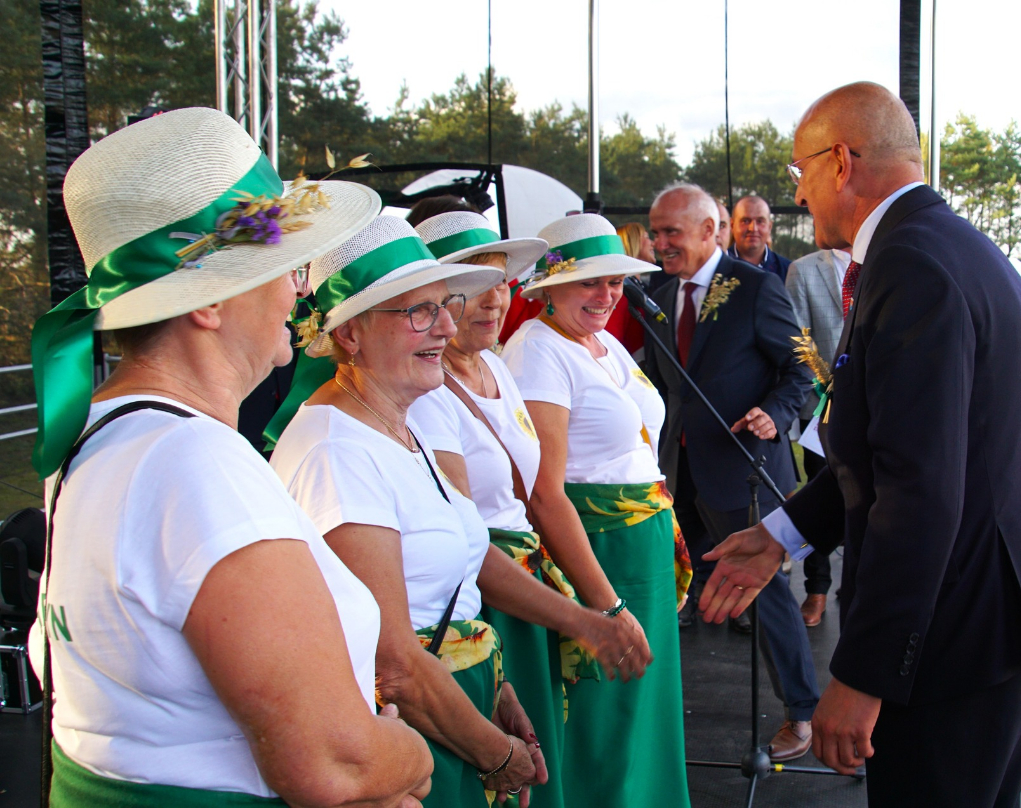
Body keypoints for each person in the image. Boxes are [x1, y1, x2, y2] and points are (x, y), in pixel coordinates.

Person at [28, 108, 432, 805]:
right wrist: (411, 756)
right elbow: (335, 766)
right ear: (208, 304)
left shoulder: (98, 434)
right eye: (281, 266)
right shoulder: (192, 462)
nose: (298, 290)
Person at [699, 81, 1021, 808]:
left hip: (959, 637)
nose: (799, 193)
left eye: (799, 172)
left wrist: (864, 674)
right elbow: (879, 450)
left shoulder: (912, 266)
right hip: (998, 616)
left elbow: (918, 491)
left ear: (840, 162)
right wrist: (781, 534)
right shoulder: (949, 246)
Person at [267, 216, 551, 806]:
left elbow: (443, 591)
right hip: (418, 746)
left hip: (453, 718)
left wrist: (494, 690)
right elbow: (393, 665)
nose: (447, 326)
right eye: (420, 312)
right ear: (349, 335)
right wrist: (497, 754)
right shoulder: (335, 451)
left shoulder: (396, 425)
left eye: (444, 304)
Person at [411, 210, 650, 808]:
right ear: (430, 299)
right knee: (515, 767)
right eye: (472, 286)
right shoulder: (426, 392)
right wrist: (590, 614)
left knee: (546, 752)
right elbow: (473, 538)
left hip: (528, 584)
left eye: (501, 281)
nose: (495, 300)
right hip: (493, 599)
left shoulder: (492, 365)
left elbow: (527, 493)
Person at [500, 213, 691, 808]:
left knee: (645, 711)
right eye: (589, 281)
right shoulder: (536, 351)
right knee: (602, 719)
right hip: (598, 551)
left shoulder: (606, 340)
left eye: (614, 281)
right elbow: (542, 492)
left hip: (646, 549)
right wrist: (603, 602)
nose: (606, 295)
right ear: (549, 286)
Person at [642, 183, 820, 762]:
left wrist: (775, 412)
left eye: (672, 231)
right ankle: (647, 716)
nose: (659, 242)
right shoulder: (658, 295)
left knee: (764, 597)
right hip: (678, 470)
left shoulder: (756, 288)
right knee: (663, 585)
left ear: (709, 231)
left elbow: (806, 370)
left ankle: (802, 715)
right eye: (655, 231)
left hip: (743, 469)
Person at [784, 246, 852, 626]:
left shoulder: (885, 258)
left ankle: (859, 582)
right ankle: (817, 589)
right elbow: (799, 340)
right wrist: (829, 385)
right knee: (820, 495)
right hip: (822, 409)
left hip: (875, 411)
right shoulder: (804, 270)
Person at [727, 195, 792, 282]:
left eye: (760, 221)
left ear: (769, 227)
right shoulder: (718, 266)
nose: (753, 228)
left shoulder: (787, 271)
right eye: (746, 221)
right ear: (732, 225)